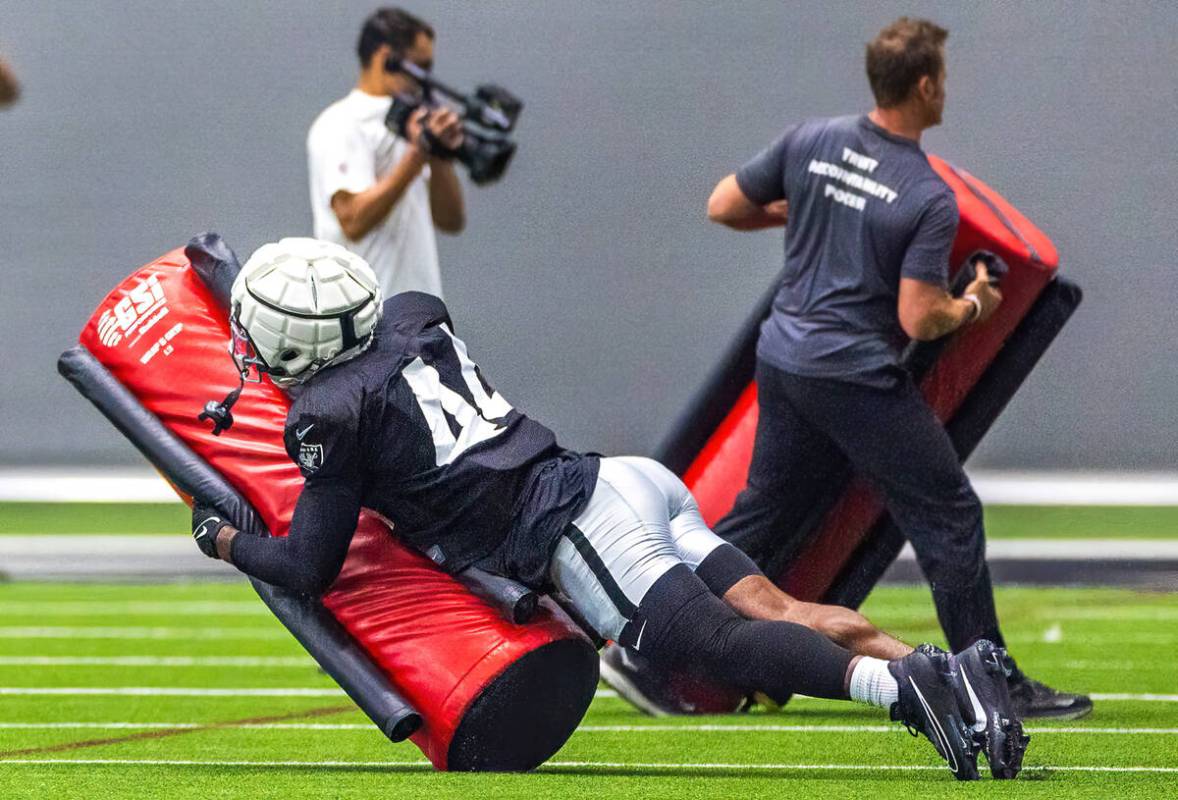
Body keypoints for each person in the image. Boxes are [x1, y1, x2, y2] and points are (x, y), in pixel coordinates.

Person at [190, 237, 1028, 780]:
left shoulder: (326, 417)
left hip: (578, 531)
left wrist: (224, 539)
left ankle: (903, 686)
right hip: (626, 483)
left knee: (720, 648)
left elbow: (308, 565)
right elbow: (340, 346)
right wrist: (231, 276)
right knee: (779, 610)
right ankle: (951, 672)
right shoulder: (414, 316)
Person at [622, 17, 1083, 720]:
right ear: (926, 85)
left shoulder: (812, 140)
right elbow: (917, 319)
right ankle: (989, 681)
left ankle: (644, 644)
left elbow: (724, 205)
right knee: (948, 513)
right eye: (944, 81)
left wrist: (814, 217)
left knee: (761, 518)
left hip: (782, 362)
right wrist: (974, 306)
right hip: (854, 375)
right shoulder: (925, 194)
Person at [306, 7, 465, 301]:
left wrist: (439, 155)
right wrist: (416, 156)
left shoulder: (414, 123)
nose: (426, 81)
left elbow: (451, 220)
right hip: (366, 324)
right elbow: (352, 220)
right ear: (385, 58)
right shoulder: (341, 122)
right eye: (420, 66)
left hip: (422, 320)